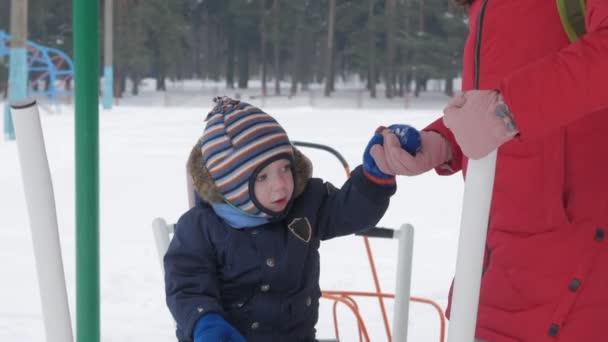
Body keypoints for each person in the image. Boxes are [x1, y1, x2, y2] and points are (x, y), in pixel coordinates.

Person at [370, 0, 608, 341]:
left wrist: (508, 111)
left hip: (575, 291)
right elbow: (508, 100)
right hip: (492, 279)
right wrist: (445, 140)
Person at [164, 96, 401, 342]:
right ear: (230, 185)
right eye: (262, 177)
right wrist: (206, 322)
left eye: (285, 168)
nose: (280, 186)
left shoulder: (307, 203)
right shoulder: (200, 227)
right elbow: (187, 286)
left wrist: (374, 180)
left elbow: (350, 212)